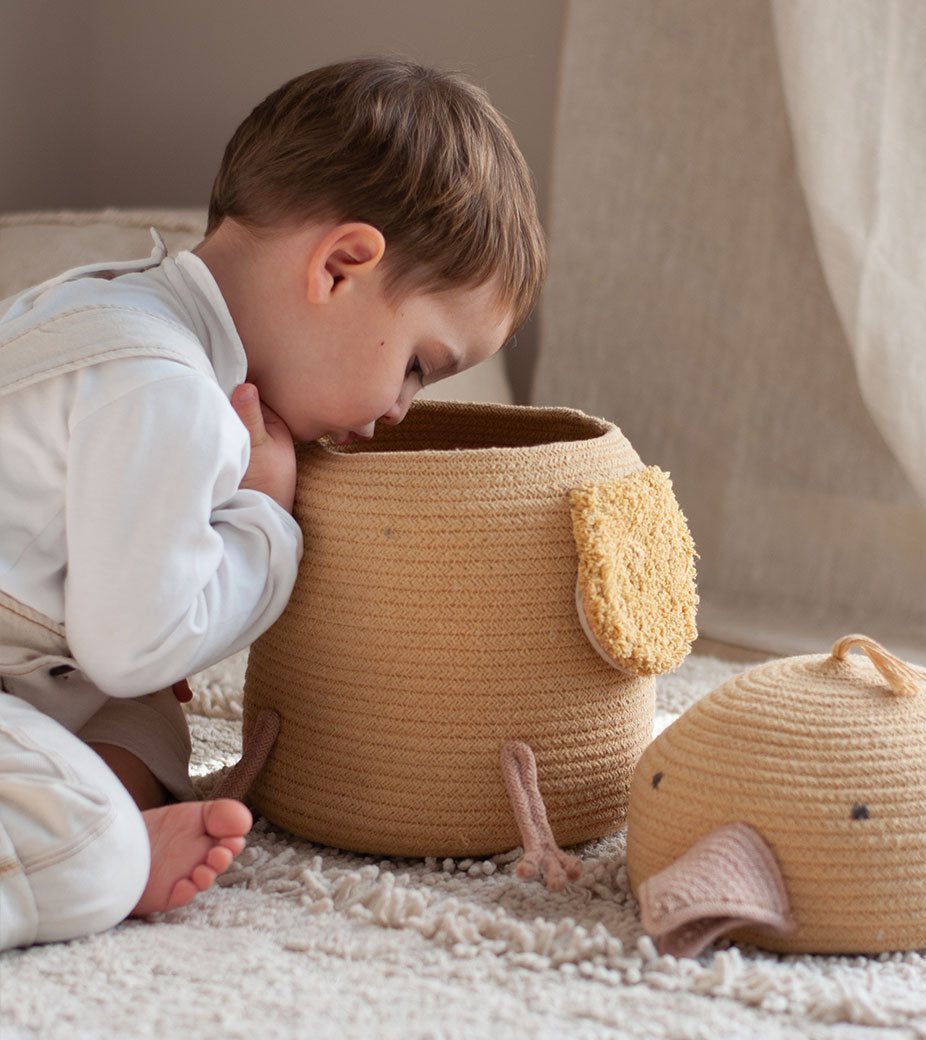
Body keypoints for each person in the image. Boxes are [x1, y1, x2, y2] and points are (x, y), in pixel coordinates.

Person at [0, 57, 546, 949]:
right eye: (417, 365)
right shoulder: (169, 391)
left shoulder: (108, 305)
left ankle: (86, 797)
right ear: (339, 265)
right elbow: (139, 646)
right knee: (93, 838)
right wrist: (264, 522)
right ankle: (98, 851)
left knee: (143, 720)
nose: (399, 412)